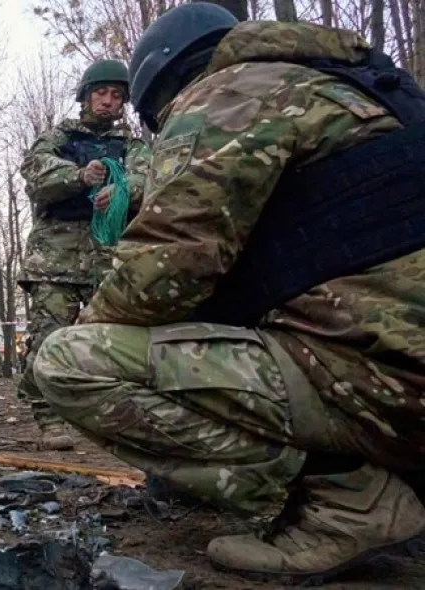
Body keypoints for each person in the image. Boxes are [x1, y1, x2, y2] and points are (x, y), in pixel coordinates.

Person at [33, 4, 425, 585]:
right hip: (398, 365)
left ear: (161, 88)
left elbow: (169, 262)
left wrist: (93, 322)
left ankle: (349, 496)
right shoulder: (366, 94)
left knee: (68, 361)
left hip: (386, 383)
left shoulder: (230, 92)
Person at [16, 59, 152, 451]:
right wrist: (79, 176)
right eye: (101, 93)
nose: (108, 102)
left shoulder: (130, 145)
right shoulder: (58, 138)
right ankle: (47, 418)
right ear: (86, 96)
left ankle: (103, 416)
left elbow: (150, 177)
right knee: (48, 339)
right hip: (54, 259)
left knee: (108, 342)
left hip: (108, 258)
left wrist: (124, 189)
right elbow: (35, 172)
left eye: (116, 96)